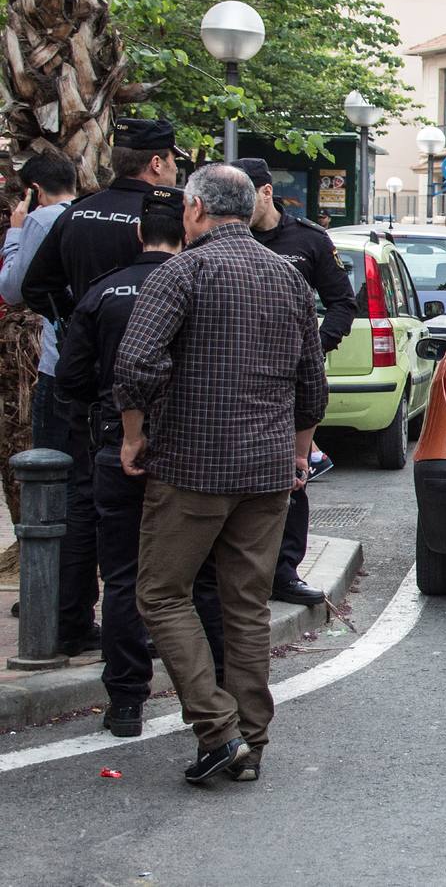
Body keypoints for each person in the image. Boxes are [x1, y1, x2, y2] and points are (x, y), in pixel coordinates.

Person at [112, 163, 327, 784]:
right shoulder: (287, 277)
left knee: (160, 592)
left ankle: (216, 726)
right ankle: (250, 744)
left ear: (196, 209)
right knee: (246, 604)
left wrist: (136, 434)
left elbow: (136, 362)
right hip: (265, 470)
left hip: (192, 464)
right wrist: (298, 452)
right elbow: (311, 385)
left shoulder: (182, 271)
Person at [53, 185, 227, 739]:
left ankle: (127, 700)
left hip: (118, 445)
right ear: (186, 228)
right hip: (190, 448)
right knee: (201, 577)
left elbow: (73, 378)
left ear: (136, 234)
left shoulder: (103, 293)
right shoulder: (203, 287)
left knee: (124, 577)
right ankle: (212, 694)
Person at [20, 118, 182, 657]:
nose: (176, 169)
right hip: (148, 389)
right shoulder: (162, 214)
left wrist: (76, 321)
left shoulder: (77, 212)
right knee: (142, 512)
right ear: (156, 163)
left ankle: (69, 621)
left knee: (74, 500)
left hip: (78, 380)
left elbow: (34, 286)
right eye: (173, 160)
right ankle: (136, 629)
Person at [233, 158, 358, 607]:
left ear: (266, 193)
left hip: (291, 377)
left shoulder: (308, 239)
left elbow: (343, 302)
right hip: (233, 376)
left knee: (293, 469)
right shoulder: (226, 236)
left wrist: (313, 348)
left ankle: (284, 570)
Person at [0, 155, 79, 455]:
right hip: (92, 358)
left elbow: (12, 288)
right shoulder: (89, 213)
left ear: (34, 190)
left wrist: (17, 231)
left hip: (56, 362)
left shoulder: (41, 219)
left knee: (51, 462)